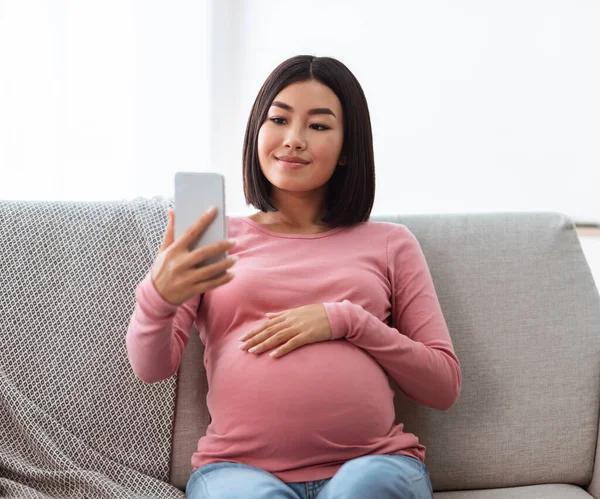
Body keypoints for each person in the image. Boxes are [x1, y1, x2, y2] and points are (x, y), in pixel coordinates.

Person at [126, 55, 461, 499]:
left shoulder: (390, 243)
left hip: (373, 466)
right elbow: (152, 369)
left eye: (319, 126)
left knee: (362, 490)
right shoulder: (216, 239)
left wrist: (347, 321)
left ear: (347, 149)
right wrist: (157, 297)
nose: (293, 140)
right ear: (257, 132)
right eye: (279, 119)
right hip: (237, 473)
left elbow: (442, 386)